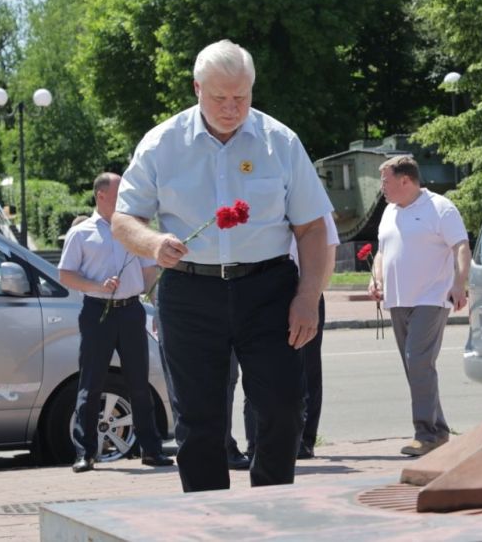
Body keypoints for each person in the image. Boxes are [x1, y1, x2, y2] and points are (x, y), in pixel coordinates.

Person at [112, 39, 333, 492]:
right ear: (197, 88)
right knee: (198, 419)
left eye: (241, 97)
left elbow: (312, 228)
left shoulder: (281, 142)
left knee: (282, 408)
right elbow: (123, 218)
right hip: (191, 293)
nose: (232, 108)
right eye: (219, 98)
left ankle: (273, 511)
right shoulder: (161, 143)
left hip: (269, 289)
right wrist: (153, 243)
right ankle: (210, 520)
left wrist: (308, 296)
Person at [58, 172, 173, 473]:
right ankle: (86, 452)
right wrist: (97, 285)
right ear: (101, 196)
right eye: (119, 192)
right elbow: (66, 275)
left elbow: (150, 270)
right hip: (98, 312)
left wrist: (154, 303)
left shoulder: (133, 230)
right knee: (91, 382)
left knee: (139, 381)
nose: (124, 198)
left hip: (131, 310)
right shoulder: (81, 233)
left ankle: (151, 450)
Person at [367, 155, 470, 457]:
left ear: (405, 180)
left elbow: (461, 246)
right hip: (398, 299)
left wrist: (459, 283)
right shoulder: (389, 212)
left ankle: (426, 433)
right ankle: (438, 430)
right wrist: (376, 280)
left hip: (432, 297)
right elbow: (381, 253)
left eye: (385, 181)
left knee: (418, 361)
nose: (382, 187)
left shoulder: (439, 207)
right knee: (415, 366)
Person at [243, 212, 338, 461]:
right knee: (258, 369)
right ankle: (255, 441)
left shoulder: (315, 208)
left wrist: (312, 297)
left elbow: (328, 256)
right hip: (266, 296)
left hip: (305, 296)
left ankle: (305, 440)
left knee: (307, 371)